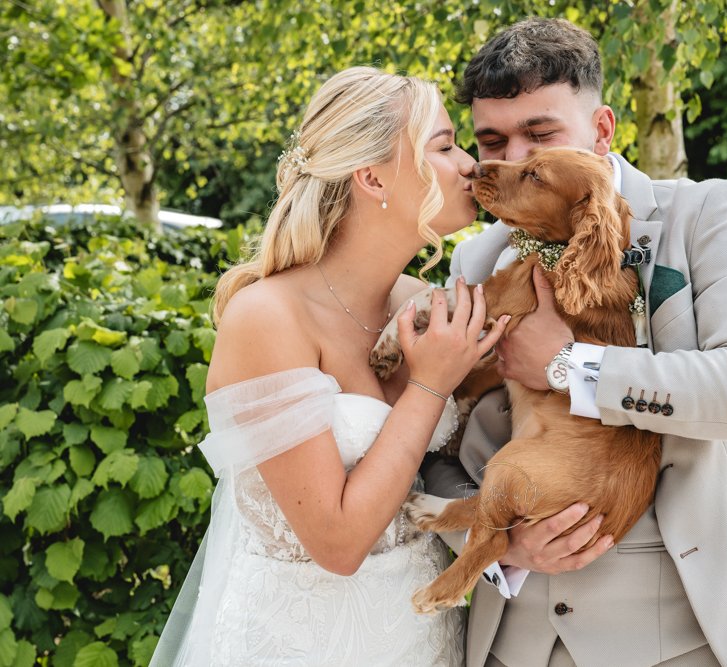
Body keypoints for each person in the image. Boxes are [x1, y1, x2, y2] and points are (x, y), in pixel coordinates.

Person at [422, 18, 727, 667]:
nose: (512, 162)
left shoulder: (711, 213)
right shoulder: (477, 261)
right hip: (517, 638)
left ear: (602, 130)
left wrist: (571, 365)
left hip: (698, 628)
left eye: (540, 135)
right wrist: (502, 547)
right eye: (492, 140)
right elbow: (435, 438)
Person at [149, 66, 508, 666]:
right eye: (444, 146)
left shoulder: (420, 305)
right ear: (371, 177)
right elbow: (337, 542)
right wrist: (429, 383)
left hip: (421, 639)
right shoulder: (267, 318)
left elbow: (448, 468)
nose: (469, 163)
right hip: (299, 644)